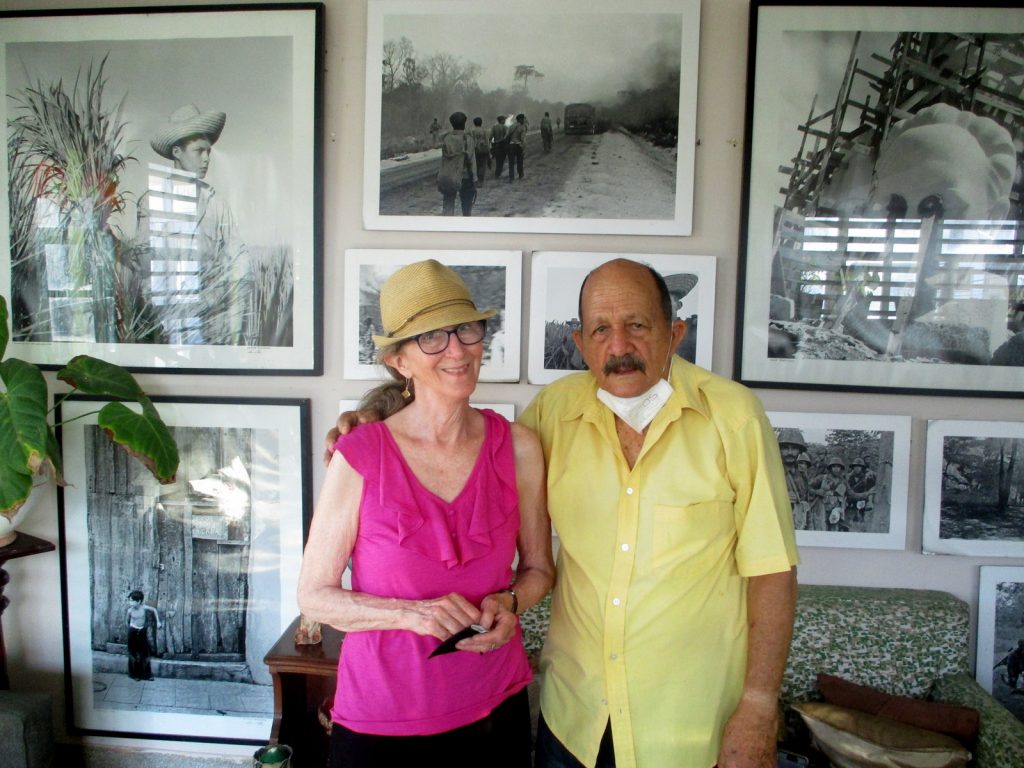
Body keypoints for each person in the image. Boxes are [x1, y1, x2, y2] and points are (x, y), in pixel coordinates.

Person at [327, 258, 799, 768]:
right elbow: (453, 440)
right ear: (579, 343)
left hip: (689, 729)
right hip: (574, 723)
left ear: (675, 332)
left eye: (637, 325)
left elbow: (771, 570)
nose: (618, 346)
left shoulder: (733, 416)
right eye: (600, 329)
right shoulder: (552, 415)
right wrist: (374, 418)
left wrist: (757, 706)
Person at [299, 259, 554, 768]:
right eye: (431, 337)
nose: (457, 349)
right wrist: (412, 614)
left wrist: (510, 602)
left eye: (466, 329)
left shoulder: (520, 447)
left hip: (495, 706)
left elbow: (539, 570)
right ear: (399, 361)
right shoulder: (360, 453)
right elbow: (313, 596)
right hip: (382, 719)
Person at [140, 104, 250, 345]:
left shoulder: (216, 203)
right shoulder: (152, 202)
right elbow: (145, 265)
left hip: (213, 324)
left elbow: (238, 259)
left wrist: (231, 322)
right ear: (177, 152)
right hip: (166, 324)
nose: (207, 159)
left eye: (209, 152)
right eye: (199, 151)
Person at [436, 112, 476, 216]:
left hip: (449, 176)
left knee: (448, 204)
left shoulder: (447, 138)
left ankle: (447, 227)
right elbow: (471, 161)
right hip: (465, 176)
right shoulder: (468, 139)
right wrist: (474, 178)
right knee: (466, 206)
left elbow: (445, 159)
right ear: (464, 124)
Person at [777, 428, 810, 531]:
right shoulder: (771, 470)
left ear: (799, 451)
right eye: (785, 448)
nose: (790, 452)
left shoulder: (801, 472)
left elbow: (806, 495)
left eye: (794, 449)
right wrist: (783, 496)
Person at [126, 589, 161, 681]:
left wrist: (158, 622)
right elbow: (127, 621)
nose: (130, 602)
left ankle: (147, 674)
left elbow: (154, 610)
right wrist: (131, 629)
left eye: (132, 601)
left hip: (142, 632)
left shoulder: (144, 608)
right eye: (129, 600)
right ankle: (134, 674)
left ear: (139, 601)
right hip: (133, 631)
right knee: (133, 653)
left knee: (145, 653)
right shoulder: (130, 611)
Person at [506, 113, 527, 182]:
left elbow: (507, 135)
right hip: (518, 145)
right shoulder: (522, 127)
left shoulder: (512, 126)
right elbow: (523, 139)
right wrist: (523, 148)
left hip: (511, 145)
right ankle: (521, 175)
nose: (524, 120)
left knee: (511, 162)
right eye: (523, 118)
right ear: (521, 119)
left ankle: (511, 177)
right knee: (520, 161)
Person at [471, 116, 491, 187]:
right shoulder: (484, 131)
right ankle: (480, 181)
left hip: (475, 149)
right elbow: (487, 141)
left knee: (475, 165)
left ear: (474, 123)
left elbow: (471, 141)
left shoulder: (472, 131)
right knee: (482, 165)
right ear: (481, 123)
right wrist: (489, 151)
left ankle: (475, 180)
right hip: (483, 149)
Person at [491, 115, 509, 179]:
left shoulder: (494, 127)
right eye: (504, 120)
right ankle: (498, 173)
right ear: (501, 120)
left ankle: (497, 173)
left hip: (496, 146)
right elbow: (507, 137)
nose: (504, 121)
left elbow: (490, 137)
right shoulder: (505, 127)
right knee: (502, 160)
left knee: (498, 160)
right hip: (503, 146)